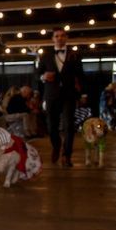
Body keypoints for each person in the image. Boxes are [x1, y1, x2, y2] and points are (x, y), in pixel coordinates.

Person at [37, 27, 84, 166]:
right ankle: (56, 146)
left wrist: (83, 93)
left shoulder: (74, 55)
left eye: (62, 36)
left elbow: (81, 75)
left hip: (69, 95)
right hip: (51, 95)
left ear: (66, 38)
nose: (60, 38)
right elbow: (36, 74)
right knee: (52, 126)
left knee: (69, 125)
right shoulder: (45, 55)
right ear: (53, 38)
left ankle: (67, 155)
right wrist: (43, 76)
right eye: (57, 36)